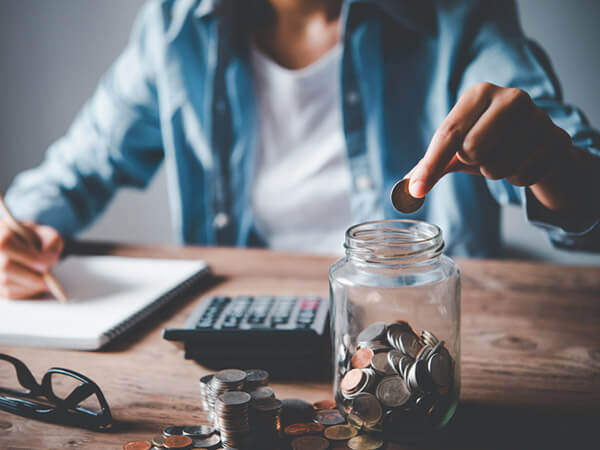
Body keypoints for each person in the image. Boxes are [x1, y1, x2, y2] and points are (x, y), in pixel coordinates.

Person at [0, 0, 598, 299]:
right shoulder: (175, 26)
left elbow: (589, 208)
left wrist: (548, 160)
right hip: (243, 322)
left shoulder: (460, 16)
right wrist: (15, 230)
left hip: (420, 329)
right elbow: (76, 170)